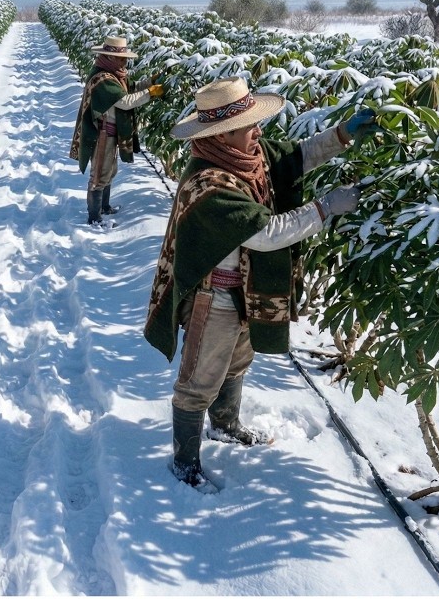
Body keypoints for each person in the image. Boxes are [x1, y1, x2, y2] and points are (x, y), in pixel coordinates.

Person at [143, 77, 377, 491]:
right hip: (212, 296)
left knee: (236, 362)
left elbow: (299, 156)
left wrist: (343, 134)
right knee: (198, 381)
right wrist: (326, 208)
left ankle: (226, 424)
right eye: (250, 125)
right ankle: (184, 461)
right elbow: (268, 233)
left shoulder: (249, 156)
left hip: (247, 292)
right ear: (223, 134)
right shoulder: (208, 184)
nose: (259, 131)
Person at [71, 37, 165, 225]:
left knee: (110, 171)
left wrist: (150, 82)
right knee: (99, 174)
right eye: (121, 58)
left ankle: (104, 207)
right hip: (102, 134)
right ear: (110, 58)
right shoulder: (102, 79)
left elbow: (132, 88)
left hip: (111, 132)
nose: (125, 62)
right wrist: (151, 93)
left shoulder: (115, 75)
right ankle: (94, 217)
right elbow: (125, 101)